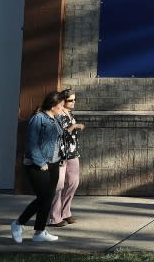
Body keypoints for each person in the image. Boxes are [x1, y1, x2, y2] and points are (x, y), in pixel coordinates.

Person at [10, 91, 66, 243]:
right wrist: (40, 163)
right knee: (44, 197)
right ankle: (18, 224)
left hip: (54, 163)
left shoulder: (56, 119)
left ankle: (39, 233)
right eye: (60, 106)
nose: (62, 108)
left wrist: (61, 157)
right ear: (53, 106)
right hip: (39, 164)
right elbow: (31, 143)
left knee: (48, 199)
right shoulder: (38, 119)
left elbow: (59, 141)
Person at [48, 88, 85, 227]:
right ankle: (54, 217)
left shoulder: (70, 113)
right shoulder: (57, 114)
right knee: (59, 185)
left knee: (73, 183)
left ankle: (65, 212)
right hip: (60, 154)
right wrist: (73, 127)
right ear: (63, 101)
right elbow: (58, 134)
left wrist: (75, 126)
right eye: (70, 100)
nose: (73, 102)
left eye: (75, 99)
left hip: (73, 152)